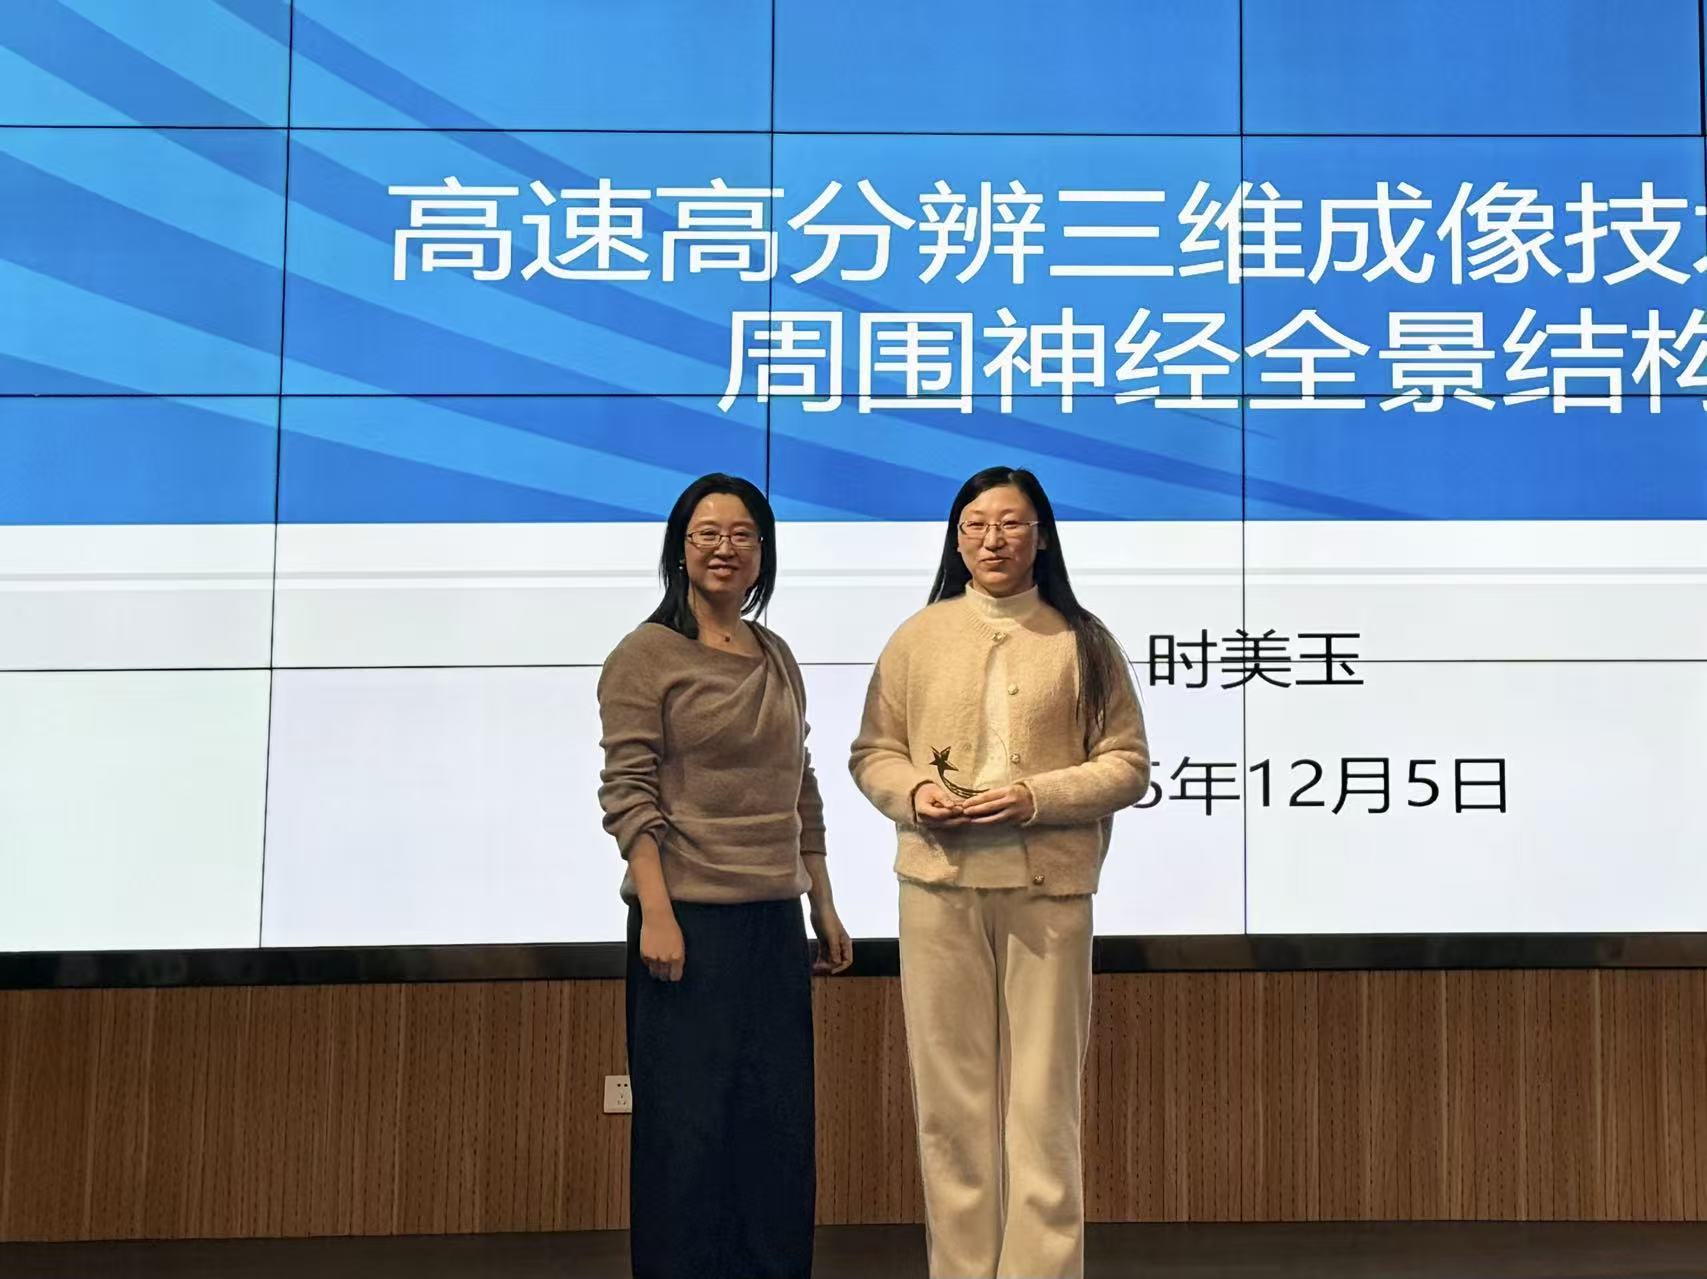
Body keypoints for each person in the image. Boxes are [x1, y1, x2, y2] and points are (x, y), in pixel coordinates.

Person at [850, 466, 1149, 1279]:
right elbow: (873, 752)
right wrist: (914, 793)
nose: (994, 539)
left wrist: (1034, 797)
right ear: (956, 539)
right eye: (976, 524)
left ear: (1041, 537)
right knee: (949, 1106)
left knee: (1043, 1102)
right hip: (936, 888)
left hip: (1049, 893)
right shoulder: (917, 636)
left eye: (1012, 523)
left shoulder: (1082, 640)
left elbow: (1127, 764)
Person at [597, 472, 853, 1279]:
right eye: (707, 533)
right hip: (686, 923)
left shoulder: (775, 654)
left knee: (775, 1129)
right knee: (686, 1134)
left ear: (762, 553)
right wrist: (657, 910)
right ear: (680, 549)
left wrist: (822, 901)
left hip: (772, 919)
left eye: (742, 535)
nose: (724, 548)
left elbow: (799, 783)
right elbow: (628, 792)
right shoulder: (643, 655)